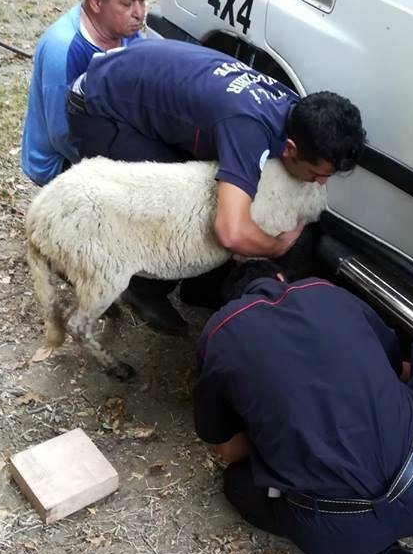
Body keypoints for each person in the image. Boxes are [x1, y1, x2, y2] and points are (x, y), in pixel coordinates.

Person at [193, 260, 413, 554]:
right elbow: (401, 372)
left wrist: (283, 428)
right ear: (281, 278)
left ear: (231, 302)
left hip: (334, 530)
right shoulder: (321, 290)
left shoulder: (219, 334)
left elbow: (229, 451)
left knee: (239, 484)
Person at [65, 38, 366, 333]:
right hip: (98, 107)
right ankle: (142, 287)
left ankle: (194, 288)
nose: (321, 182)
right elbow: (231, 231)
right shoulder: (247, 129)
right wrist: (277, 245)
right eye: (316, 173)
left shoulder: (293, 107)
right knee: (174, 205)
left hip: (128, 75)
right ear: (290, 148)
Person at [21, 0, 147, 187]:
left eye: (142, 0)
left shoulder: (125, 31)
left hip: (107, 131)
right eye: (128, 3)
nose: (139, 14)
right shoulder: (64, 49)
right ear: (96, 1)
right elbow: (61, 135)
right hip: (59, 160)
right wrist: (120, 166)